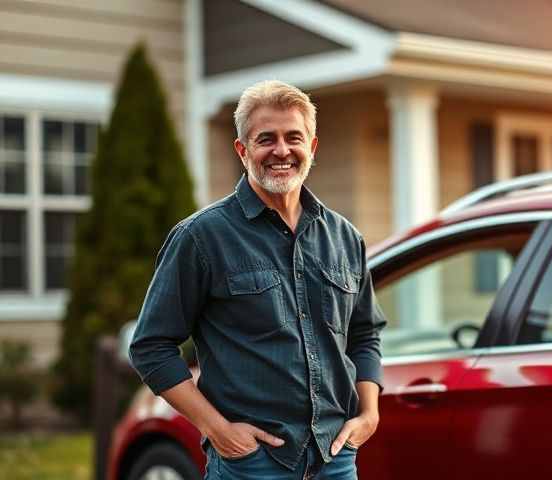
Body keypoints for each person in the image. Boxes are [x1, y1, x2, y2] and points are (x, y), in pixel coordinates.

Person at [129, 80, 386, 479]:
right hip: (253, 465)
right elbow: (150, 347)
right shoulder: (202, 237)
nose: (281, 151)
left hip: (335, 459)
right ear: (242, 150)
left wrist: (368, 414)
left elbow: (365, 333)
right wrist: (217, 430)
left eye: (293, 137)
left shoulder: (344, 237)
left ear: (312, 147)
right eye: (266, 139)